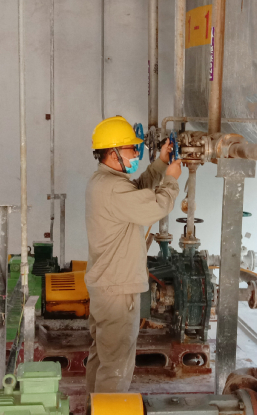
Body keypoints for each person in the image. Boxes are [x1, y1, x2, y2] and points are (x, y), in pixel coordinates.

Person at [84, 116, 182, 394]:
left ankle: (95, 408)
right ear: (113, 152)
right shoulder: (114, 188)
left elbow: (138, 190)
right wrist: (171, 180)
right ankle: (109, 409)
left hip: (106, 287)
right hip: (118, 290)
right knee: (116, 367)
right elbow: (155, 206)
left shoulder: (104, 181)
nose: (136, 153)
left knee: (102, 357)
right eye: (131, 148)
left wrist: (161, 164)